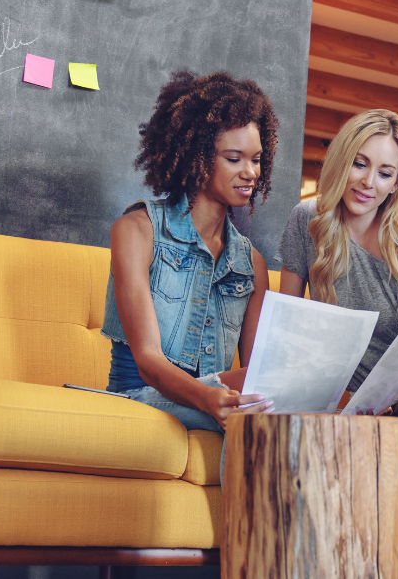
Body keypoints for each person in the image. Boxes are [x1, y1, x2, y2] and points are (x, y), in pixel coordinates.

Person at [101, 71, 277, 469]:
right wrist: (206, 397)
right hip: (141, 393)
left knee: (273, 399)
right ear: (196, 154)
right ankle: (246, 533)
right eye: (234, 159)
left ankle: (264, 532)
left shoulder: (252, 265)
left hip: (218, 399)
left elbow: (258, 374)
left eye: (256, 159)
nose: (250, 172)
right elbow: (147, 359)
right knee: (259, 408)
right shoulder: (137, 231)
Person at [279, 109, 398, 393]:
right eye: (359, 164)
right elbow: (285, 327)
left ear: (396, 184)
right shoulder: (307, 219)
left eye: (384, 174)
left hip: (396, 399)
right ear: (342, 160)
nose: (369, 182)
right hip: (322, 393)